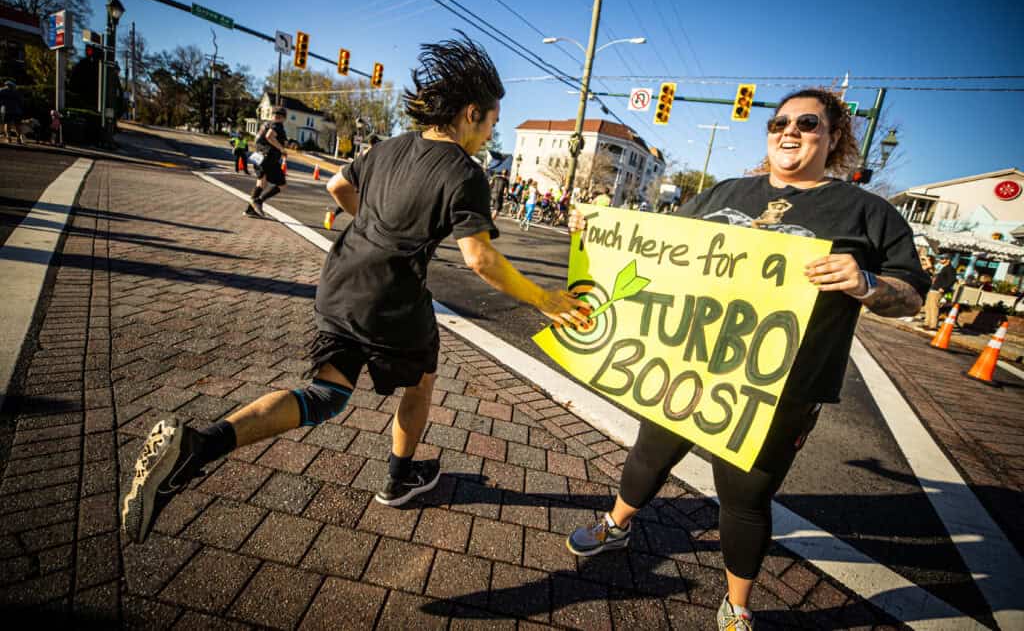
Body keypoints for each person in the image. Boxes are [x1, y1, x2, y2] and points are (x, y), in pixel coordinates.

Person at [121, 33, 590, 545]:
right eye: (492, 123)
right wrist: (544, 299)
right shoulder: (465, 172)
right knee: (422, 381)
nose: (489, 136)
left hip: (340, 281)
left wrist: (376, 231)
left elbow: (337, 188)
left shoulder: (389, 147)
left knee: (324, 395)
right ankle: (398, 478)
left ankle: (200, 445)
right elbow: (479, 258)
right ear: (471, 113)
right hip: (392, 303)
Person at [565, 87, 928, 630]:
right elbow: (657, 249)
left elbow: (914, 296)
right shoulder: (725, 193)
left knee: (744, 495)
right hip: (686, 363)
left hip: (779, 388)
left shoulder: (868, 212)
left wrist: (868, 282)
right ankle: (616, 524)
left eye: (807, 123)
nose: (790, 131)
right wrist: (597, 229)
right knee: (648, 455)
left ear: (834, 137)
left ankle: (737, 605)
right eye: (780, 122)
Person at [326, 134, 381, 228]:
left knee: (351, 203)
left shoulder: (364, 152)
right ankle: (362, 226)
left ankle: (332, 215)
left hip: (357, 181)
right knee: (363, 206)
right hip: (364, 182)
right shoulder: (373, 154)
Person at [245, 108, 289, 217]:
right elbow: (269, 136)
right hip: (269, 159)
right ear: (284, 117)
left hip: (258, 156)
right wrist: (281, 149)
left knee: (261, 183)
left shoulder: (265, 124)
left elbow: (260, 139)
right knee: (282, 185)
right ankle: (259, 201)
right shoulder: (277, 125)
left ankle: (250, 210)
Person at [925, 255, 956, 330]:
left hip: (937, 290)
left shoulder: (950, 269)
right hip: (933, 289)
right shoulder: (942, 268)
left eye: (942, 259)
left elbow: (952, 280)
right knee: (928, 307)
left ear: (948, 260)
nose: (940, 260)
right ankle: (927, 323)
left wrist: (944, 288)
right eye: (940, 258)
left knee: (934, 308)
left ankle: (933, 325)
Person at [0, 80, 24, 144]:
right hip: (17, 111)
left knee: (7, 124)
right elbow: (21, 102)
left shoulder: (2, 91)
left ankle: (9, 138)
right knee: (17, 125)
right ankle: (19, 138)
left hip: (7, 110)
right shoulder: (17, 92)